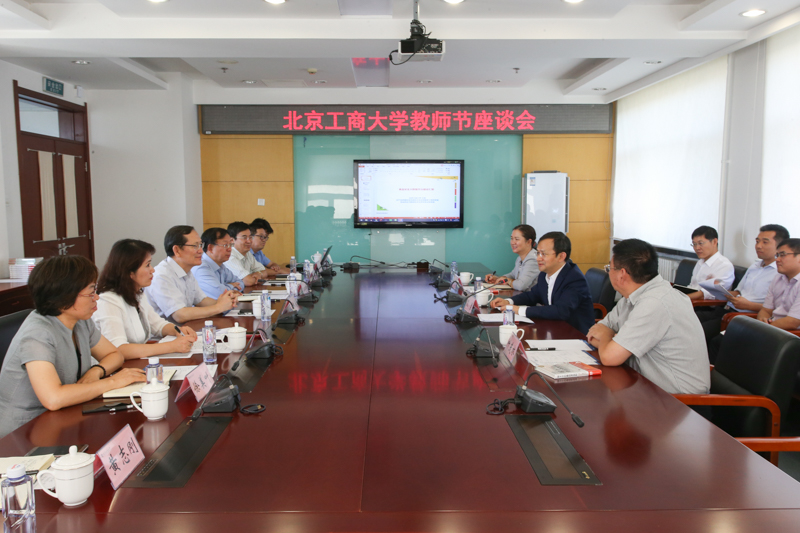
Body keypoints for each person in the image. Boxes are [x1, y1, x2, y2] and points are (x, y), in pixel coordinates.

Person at [0, 256, 146, 439]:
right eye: (91, 292)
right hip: (23, 433)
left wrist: (96, 371)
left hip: (64, 415)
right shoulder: (37, 334)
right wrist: (113, 382)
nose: (96, 297)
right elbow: (53, 398)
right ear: (64, 296)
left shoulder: (80, 321)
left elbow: (114, 354)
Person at [586, 239, 710, 394]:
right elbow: (594, 333)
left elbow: (609, 357)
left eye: (609, 268)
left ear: (621, 274)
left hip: (679, 401)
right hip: (645, 385)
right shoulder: (633, 296)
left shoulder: (654, 302)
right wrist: (610, 340)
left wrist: (607, 336)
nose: (608, 272)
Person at [94, 239, 197, 359]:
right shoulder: (108, 301)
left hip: (136, 362)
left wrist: (178, 330)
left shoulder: (136, 292)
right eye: (147, 265)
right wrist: (171, 346)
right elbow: (119, 349)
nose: (152, 270)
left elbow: (157, 325)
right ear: (130, 272)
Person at [490, 232, 594, 334]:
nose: (538, 258)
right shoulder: (544, 274)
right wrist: (509, 302)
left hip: (574, 335)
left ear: (561, 256)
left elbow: (561, 311)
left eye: (543, 254)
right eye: (538, 253)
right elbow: (532, 296)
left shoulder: (574, 279)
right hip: (553, 328)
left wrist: (520, 310)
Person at [696, 224, 788, 341]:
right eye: (757, 241)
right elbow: (738, 292)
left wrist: (749, 305)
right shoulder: (754, 266)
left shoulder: (781, 273)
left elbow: (777, 309)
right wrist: (719, 290)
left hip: (744, 316)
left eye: (765, 242)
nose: (758, 246)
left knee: (698, 333)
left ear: (780, 247)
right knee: (686, 323)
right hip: (726, 309)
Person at [146, 225, 238, 323]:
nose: (201, 251)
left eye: (200, 245)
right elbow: (180, 315)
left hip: (187, 328)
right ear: (177, 250)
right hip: (168, 332)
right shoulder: (162, 276)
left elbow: (201, 300)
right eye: (195, 246)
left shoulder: (187, 271)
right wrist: (218, 307)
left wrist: (226, 302)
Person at [192, 228, 255, 298]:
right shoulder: (201, 267)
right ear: (210, 248)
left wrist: (226, 288)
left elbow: (240, 283)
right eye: (225, 245)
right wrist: (230, 286)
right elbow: (219, 294)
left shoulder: (220, 265)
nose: (230, 249)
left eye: (230, 245)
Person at [686, 226, 735, 300]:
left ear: (714, 242)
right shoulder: (700, 262)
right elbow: (692, 286)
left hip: (706, 305)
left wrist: (683, 298)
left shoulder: (724, 265)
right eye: (694, 244)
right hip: (691, 301)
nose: (697, 248)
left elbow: (709, 293)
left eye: (700, 243)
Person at [484, 224, 538, 291]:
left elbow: (521, 285)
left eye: (517, 239)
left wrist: (508, 280)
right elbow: (512, 275)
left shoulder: (533, 260)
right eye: (512, 238)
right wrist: (498, 278)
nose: (513, 242)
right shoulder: (520, 258)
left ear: (529, 242)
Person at [224, 221, 267, 285]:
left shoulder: (247, 253)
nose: (249, 241)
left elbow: (265, 272)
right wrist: (256, 277)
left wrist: (259, 274)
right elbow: (248, 281)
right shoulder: (230, 256)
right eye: (244, 238)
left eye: (250, 237)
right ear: (232, 240)